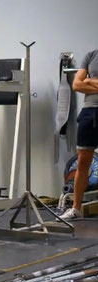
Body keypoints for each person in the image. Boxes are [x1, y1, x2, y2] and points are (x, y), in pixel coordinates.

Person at [59, 50, 98, 220]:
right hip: (89, 113)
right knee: (82, 163)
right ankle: (76, 208)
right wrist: (86, 81)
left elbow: (82, 82)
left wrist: (88, 80)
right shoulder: (91, 55)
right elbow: (76, 85)